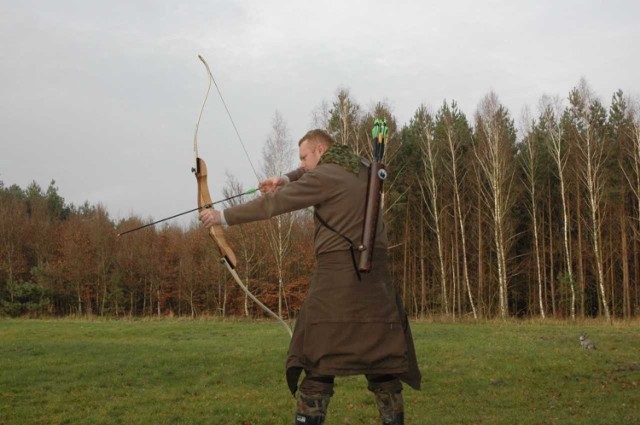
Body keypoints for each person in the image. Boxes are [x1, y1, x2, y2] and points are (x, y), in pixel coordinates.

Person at [199, 129, 421, 425]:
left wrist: (221, 217)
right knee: (381, 360)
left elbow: (273, 204)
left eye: (304, 157)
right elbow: (309, 173)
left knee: (317, 359)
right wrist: (286, 178)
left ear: (319, 150)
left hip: (337, 279)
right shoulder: (363, 168)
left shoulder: (324, 176)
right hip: (376, 282)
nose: (302, 163)